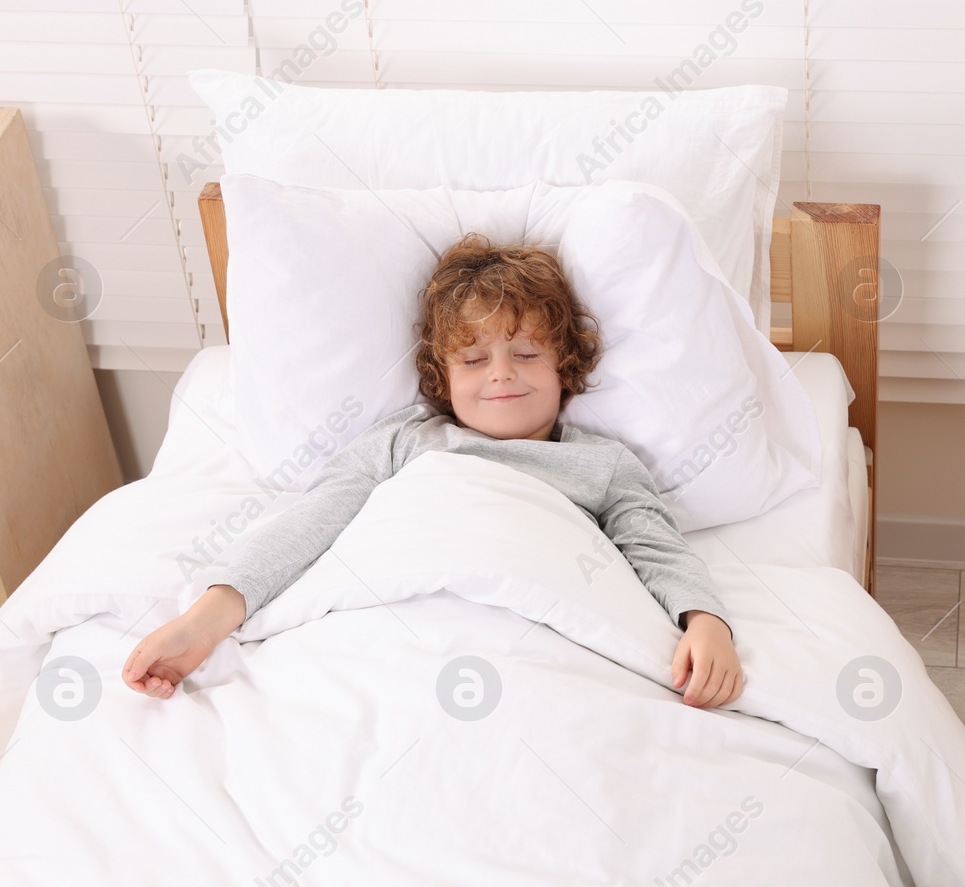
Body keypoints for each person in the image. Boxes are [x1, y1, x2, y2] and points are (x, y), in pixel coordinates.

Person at [122, 233, 743, 708]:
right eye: (474, 358)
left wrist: (706, 622)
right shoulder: (403, 442)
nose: (501, 373)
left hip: (532, 642)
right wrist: (205, 619)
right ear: (443, 379)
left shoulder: (601, 465)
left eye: (526, 353)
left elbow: (654, 544)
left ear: (566, 367)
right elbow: (314, 522)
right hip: (391, 633)